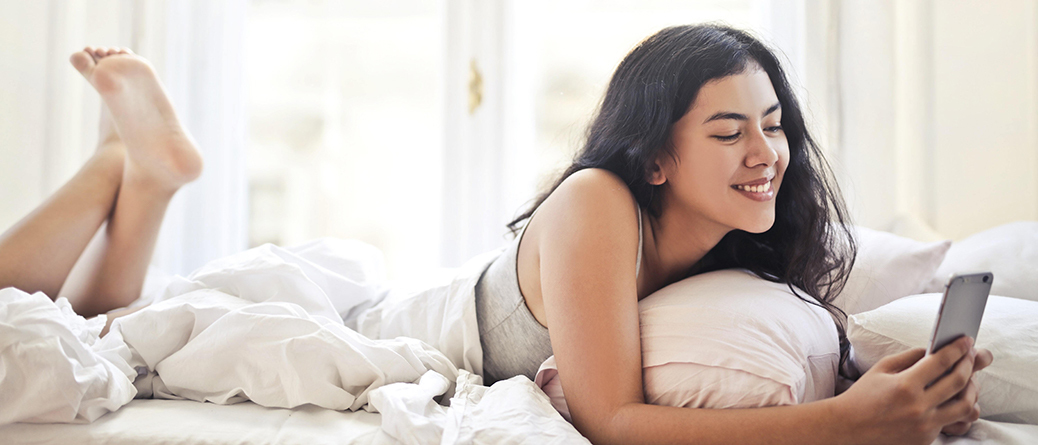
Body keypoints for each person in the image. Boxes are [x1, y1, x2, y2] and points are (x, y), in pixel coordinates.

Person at [0, 24, 993, 445]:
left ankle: (137, 174)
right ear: (656, 157)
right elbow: (613, 418)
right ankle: (125, 172)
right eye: (730, 131)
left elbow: (814, 331)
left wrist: (884, 374)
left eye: (774, 125)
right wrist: (843, 426)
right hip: (359, 313)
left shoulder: (744, 237)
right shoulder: (600, 201)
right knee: (70, 318)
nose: (766, 153)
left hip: (399, 296)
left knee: (110, 308)